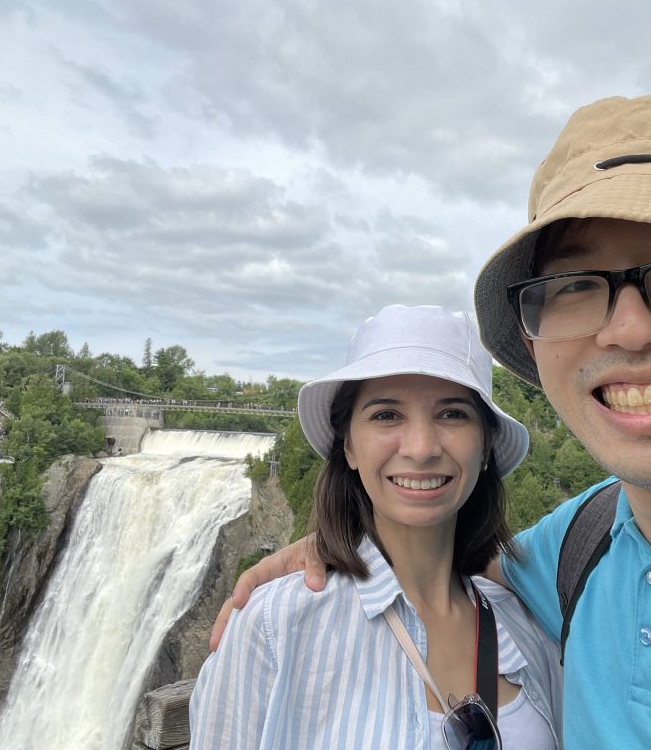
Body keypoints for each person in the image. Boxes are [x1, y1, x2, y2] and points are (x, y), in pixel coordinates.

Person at [213, 92, 651, 747]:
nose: (630, 329)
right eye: (574, 285)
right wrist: (342, 548)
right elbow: (438, 557)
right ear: (536, 344)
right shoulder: (581, 545)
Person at [190, 304, 562, 748]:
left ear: (485, 448)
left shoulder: (526, 621)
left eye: (453, 414)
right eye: (387, 415)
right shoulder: (275, 626)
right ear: (348, 445)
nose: (421, 448)